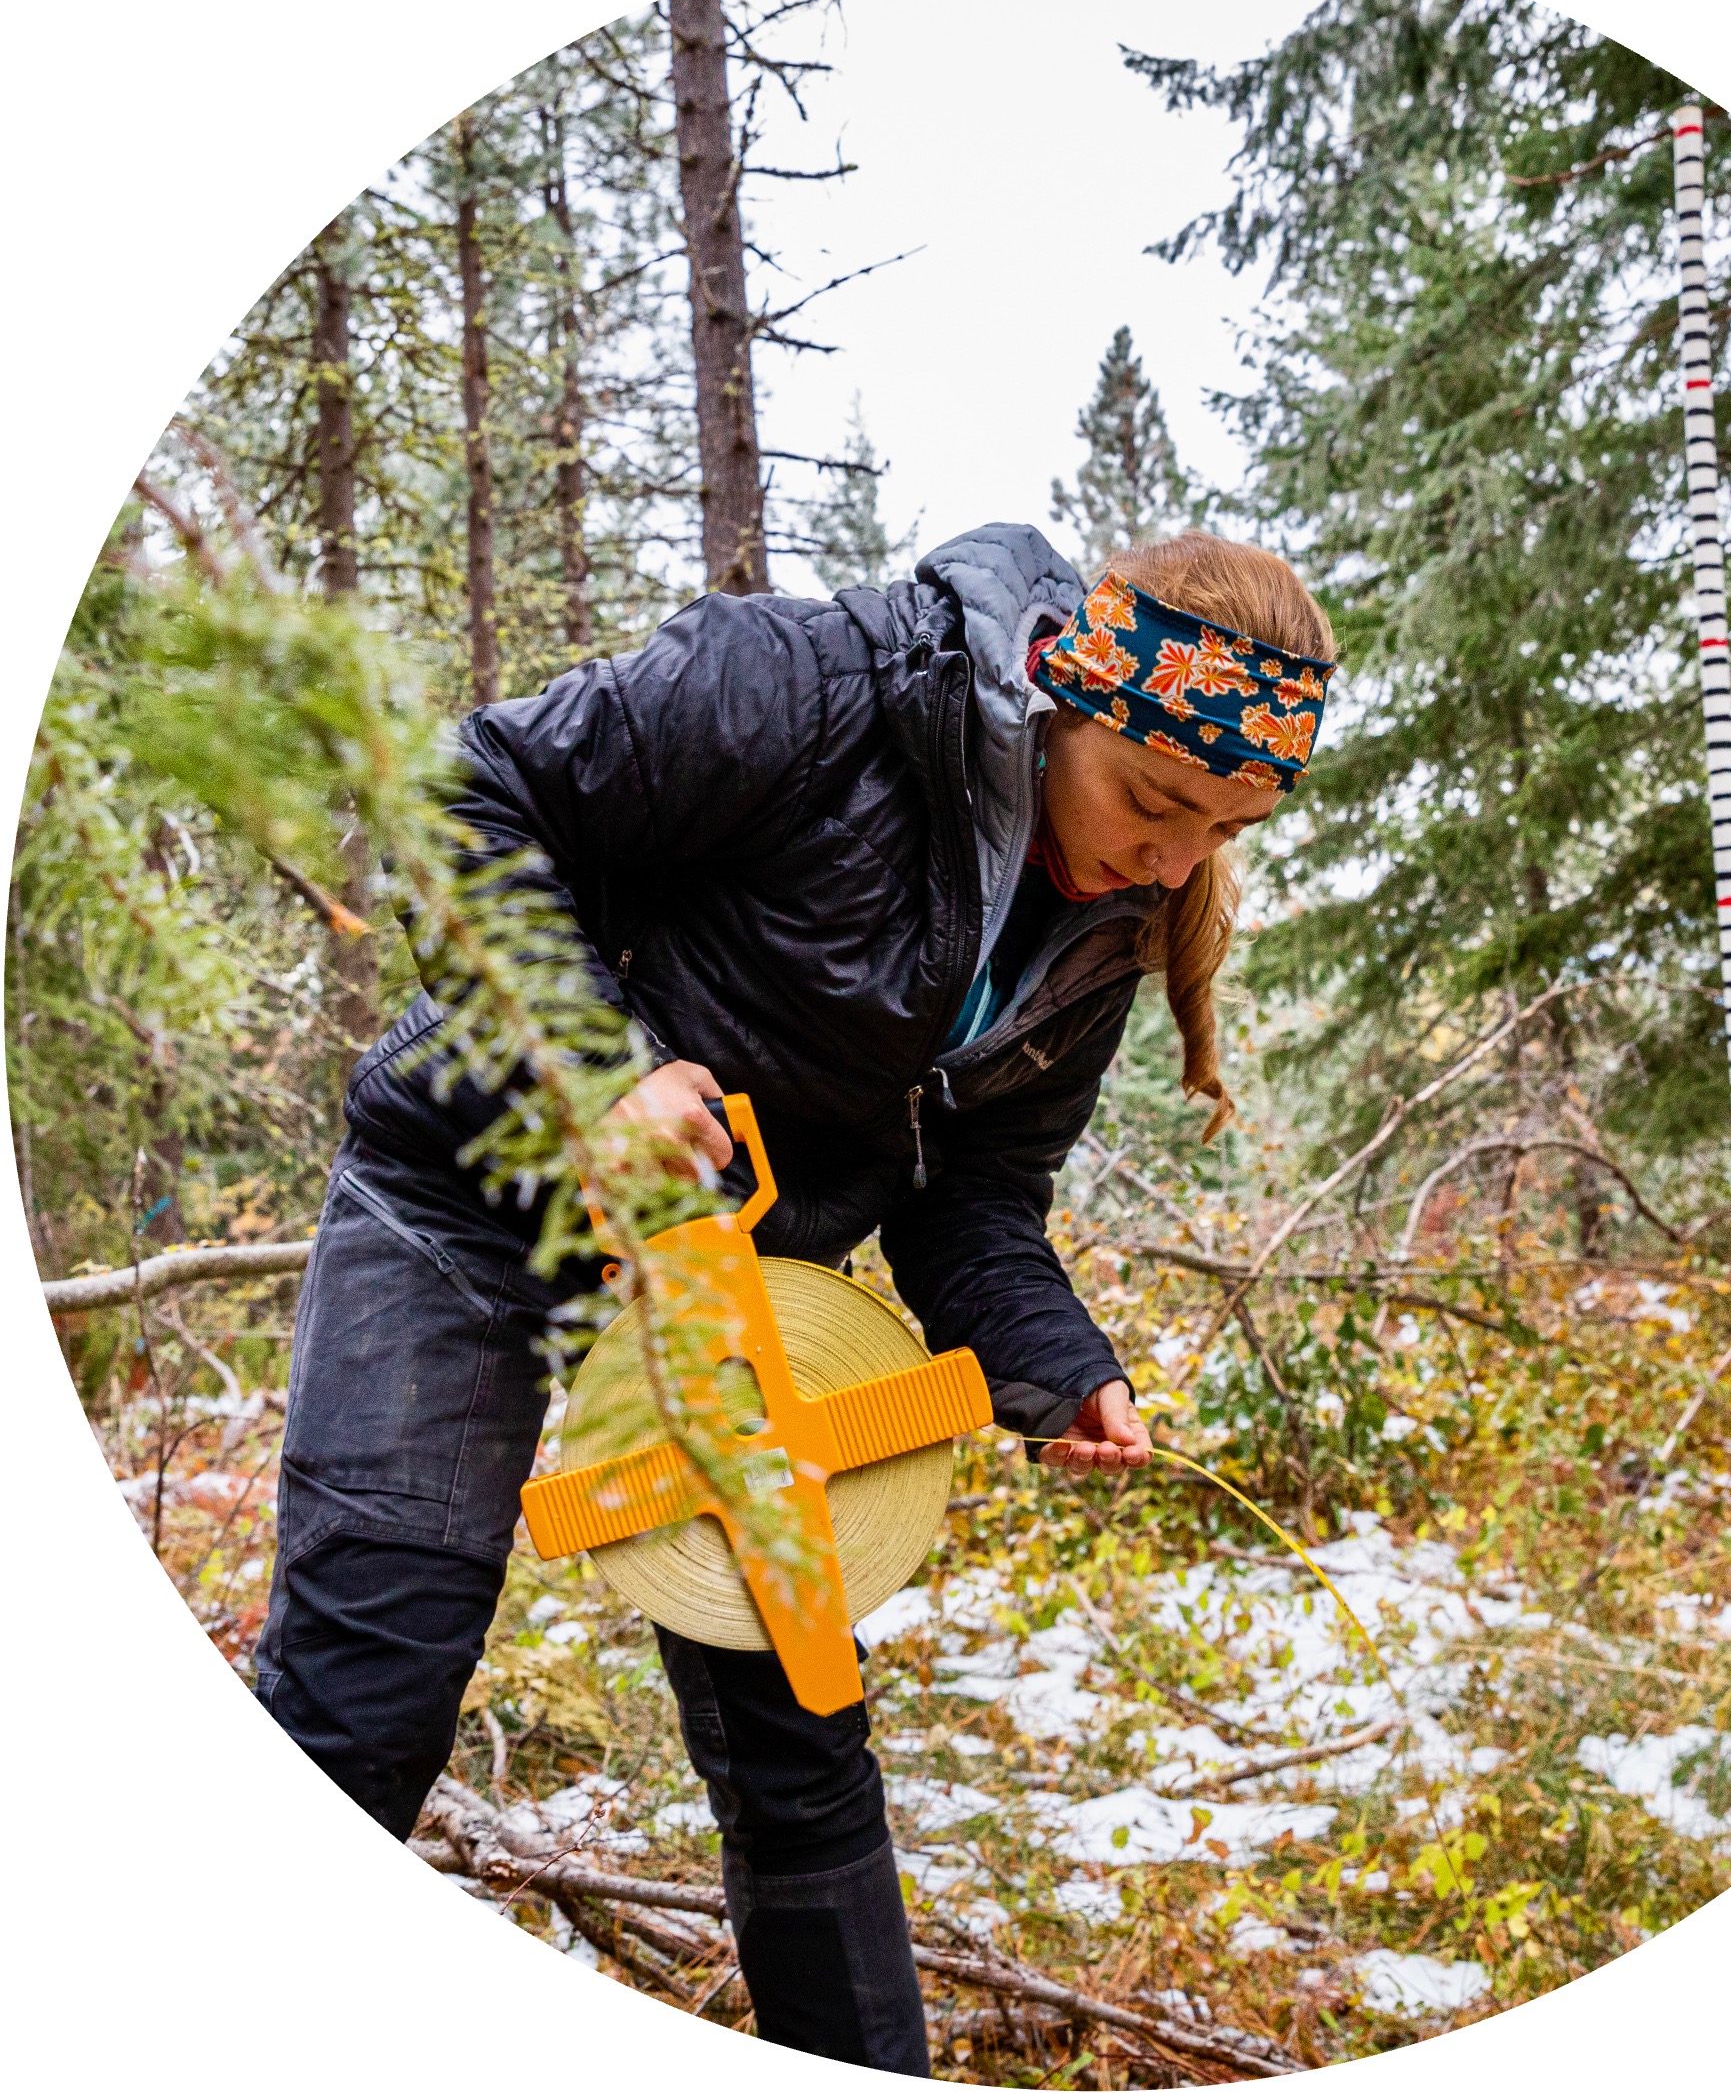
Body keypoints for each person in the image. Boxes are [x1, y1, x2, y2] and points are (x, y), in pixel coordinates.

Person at [253, 523, 1336, 2072]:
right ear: (1062, 704)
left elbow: (974, 1193)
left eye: (1217, 832)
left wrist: (1052, 1365)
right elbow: (462, 796)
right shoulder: (817, 685)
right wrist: (598, 1069)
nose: (1168, 862)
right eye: (1155, 801)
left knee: (800, 1739)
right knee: (374, 1678)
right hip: (477, 1189)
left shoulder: (1106, 921)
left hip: (730, 1279)